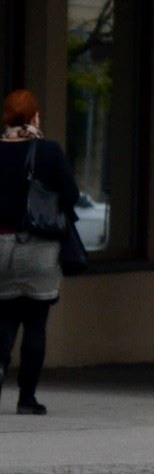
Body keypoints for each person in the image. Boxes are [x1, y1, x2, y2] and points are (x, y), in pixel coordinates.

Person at [0, 89, 80, 414]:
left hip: (0, 245)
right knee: (35, 321)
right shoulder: (48, 152)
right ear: (34, 117)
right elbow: (72, 195)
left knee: (3, 319)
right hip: (39, 248)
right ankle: (27, 398)